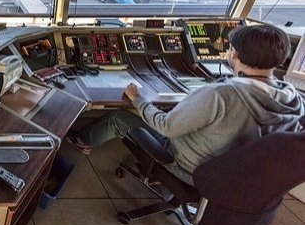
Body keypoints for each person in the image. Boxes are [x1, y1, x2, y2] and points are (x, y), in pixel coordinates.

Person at [67, 24, 305, 184]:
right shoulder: (293, 98)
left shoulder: (220, 95)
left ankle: (82, 140)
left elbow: (166, 126)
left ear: (235, 55)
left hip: (190, 168)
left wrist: (137, 98)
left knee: (119, 117)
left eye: (231, 48)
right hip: (236, 177)